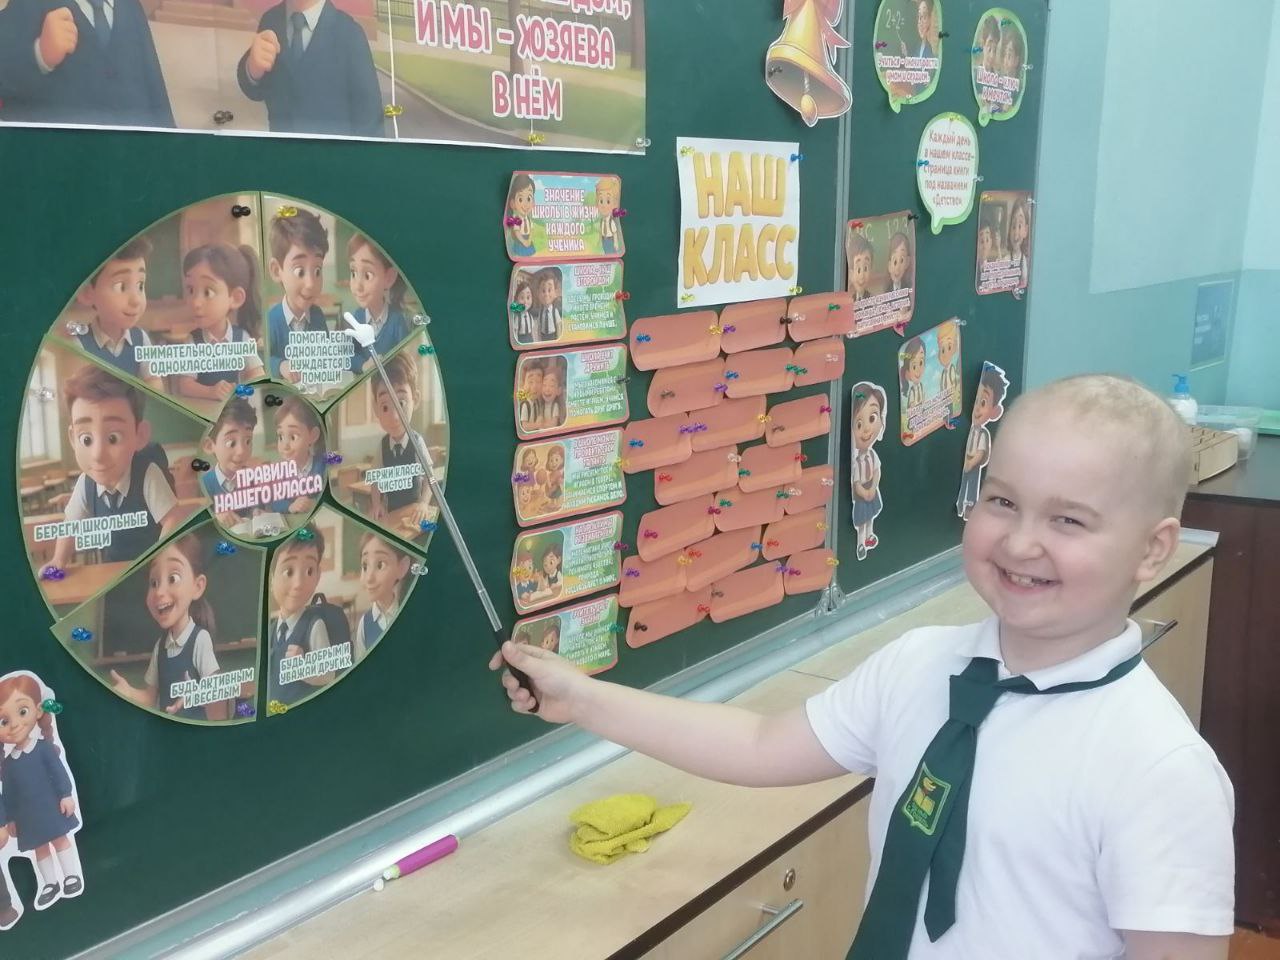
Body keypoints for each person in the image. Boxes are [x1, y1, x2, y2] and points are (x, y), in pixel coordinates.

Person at [494, 374, 1236, 960]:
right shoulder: (918, 664)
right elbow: (758, 745)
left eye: (1068, 519)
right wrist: (583, 700)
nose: (1019, 543)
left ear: (1152, 549)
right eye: (1002, 501)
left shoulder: (1157, 768)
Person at [47, 364, 180, 573]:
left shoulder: (148, 474)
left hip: (150, 570)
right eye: (86, 439)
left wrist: (160, 559)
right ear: (73, 438)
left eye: (113, 438)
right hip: (112, 570)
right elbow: (70, 525)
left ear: (140, 435)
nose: (97, 454)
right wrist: (58, 561)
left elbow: (172, 520)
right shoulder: (85, 483)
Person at [0, 0, 173, 128]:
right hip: (61, 154)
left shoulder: (131, 6)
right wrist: (39, 56)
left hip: (132, 153)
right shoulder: (29, 4)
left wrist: (172, 144)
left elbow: (154, 83)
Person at [109, 535, 228, 721]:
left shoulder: (200, 639)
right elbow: (150, 698)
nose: (159, 592)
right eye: (154, 583)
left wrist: (197, 695)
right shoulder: (161, 647)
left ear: (198, 586)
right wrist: (128, 692)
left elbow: (218, 699)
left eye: (173, 578)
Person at [236, 0, 383, 137]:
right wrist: (252, 70)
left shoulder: (350, 33)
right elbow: (257, 89)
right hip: (282, 149)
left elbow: (370, 116)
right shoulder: (271, 21)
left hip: (332, 152)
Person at [0, 673, 83, 910]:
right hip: (27, 817)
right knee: (40, 848)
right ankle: (50, 883)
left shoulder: (43, 748)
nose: (14, 724)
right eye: (3, 721)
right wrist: (10, 819)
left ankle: (71, 875)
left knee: (60, 840)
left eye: (22, 711)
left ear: (37, 711)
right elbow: (8, 795)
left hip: (50, 807)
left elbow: (58, 772)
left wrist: (65, 794)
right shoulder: (9, 764)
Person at [174, 242, 266, 401]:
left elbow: (257, 376)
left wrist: (239, 391)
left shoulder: (242, 338)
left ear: (235, 298)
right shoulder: (192, 341)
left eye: (208, 292)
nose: (195, 302)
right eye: (191, 290)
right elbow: (185, 385)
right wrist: (210, 392)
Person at [70, 236, 162, 390]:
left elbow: (154, 382)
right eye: (120, 286)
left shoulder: (141, 338)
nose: (136, 300)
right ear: (87, 293)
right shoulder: (79, 344)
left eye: (140, 285)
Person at [266, 207, 329, 380]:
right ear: (276, 270)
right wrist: (280, 366)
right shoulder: (271, 320)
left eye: (317, 270)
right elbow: (261, 359)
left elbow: (326, 354)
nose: (311, 284)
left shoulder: (318, 316)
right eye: (299, 271)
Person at [347, 234, 410, 372]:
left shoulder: (397, 320)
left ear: (389, 278)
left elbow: (406, 359)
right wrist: (363, 365)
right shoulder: (356, 317)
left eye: (367, 275)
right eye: (353, 273)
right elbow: (349, 355)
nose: (358, 286)